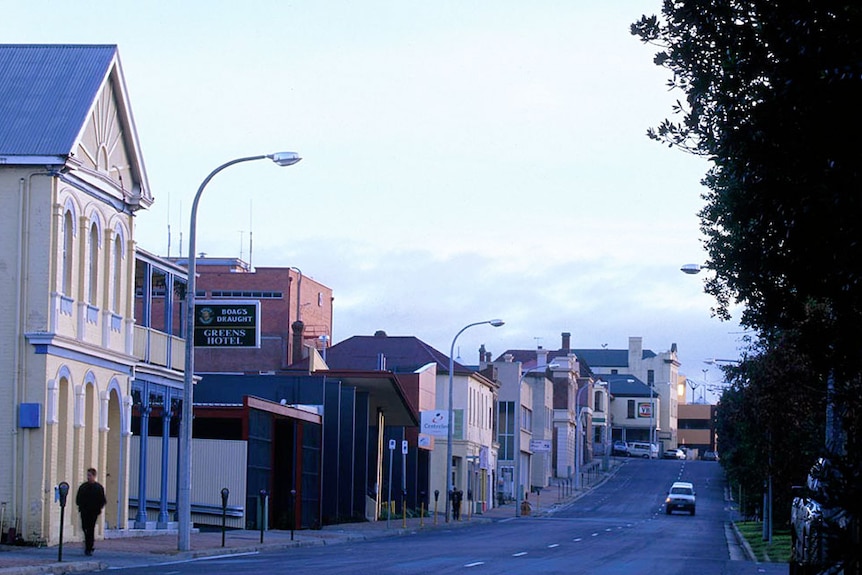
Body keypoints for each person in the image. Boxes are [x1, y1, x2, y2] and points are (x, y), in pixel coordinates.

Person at [76, 468, 106, 556]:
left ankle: (89, 547)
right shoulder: (83, 487)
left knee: (90, 529)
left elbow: (102, 500)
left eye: (90, 475)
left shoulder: (98, 488)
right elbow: (78, 498)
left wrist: (98, 509)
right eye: (87, 475)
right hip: (84, 511)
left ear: (94, 476)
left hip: (93, 512)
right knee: (84, 527)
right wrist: (81, 506)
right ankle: (88, 545)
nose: (88, 477)